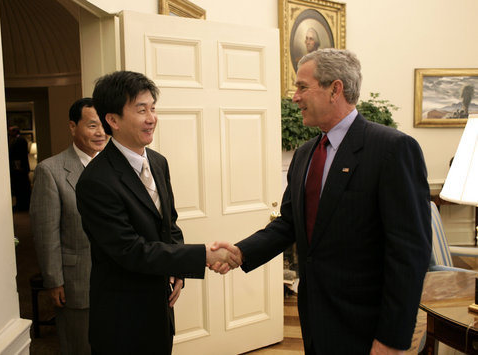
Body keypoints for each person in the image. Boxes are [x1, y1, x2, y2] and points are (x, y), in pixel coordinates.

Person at [212, 49, 432, 354]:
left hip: (367, 331)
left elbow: (409, 254)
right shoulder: (304, 155)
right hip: (316, 321)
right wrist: (240, 251)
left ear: (335, 89)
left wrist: (391, 340)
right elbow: (289, 224)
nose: (294, 97)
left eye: (302, 87)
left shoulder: (392, 150)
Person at [75, 70, 240, 354]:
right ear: (112, 120)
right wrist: (204, 255)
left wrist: (177, 269)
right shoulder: (96, 181)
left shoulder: (158, 162)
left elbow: (169, 225)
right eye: (141, 110)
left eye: (153, 108)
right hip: (122, 318)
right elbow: (130, 250)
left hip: (161, 308)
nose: (151, 117)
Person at [30, 98, 107, 354]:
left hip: (117, 281)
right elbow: (46, 232)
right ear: (73, 127)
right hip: (77, 281)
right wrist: (54, 281)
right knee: (79, 346)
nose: (100, 133)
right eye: (92, 125)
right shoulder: (50, 171)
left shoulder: (117, 166)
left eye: (104, 125)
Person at [8, 125, 31, 210]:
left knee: (23, 187)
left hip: (20, 168)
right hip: (17, 168)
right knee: (17, 187)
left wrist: (19, 166)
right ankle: (19, 204)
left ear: (15, 131)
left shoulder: (20, 140)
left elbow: (20, 155)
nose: (9, 133)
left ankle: (24, 205)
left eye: (10, 131)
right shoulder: (14, 140)